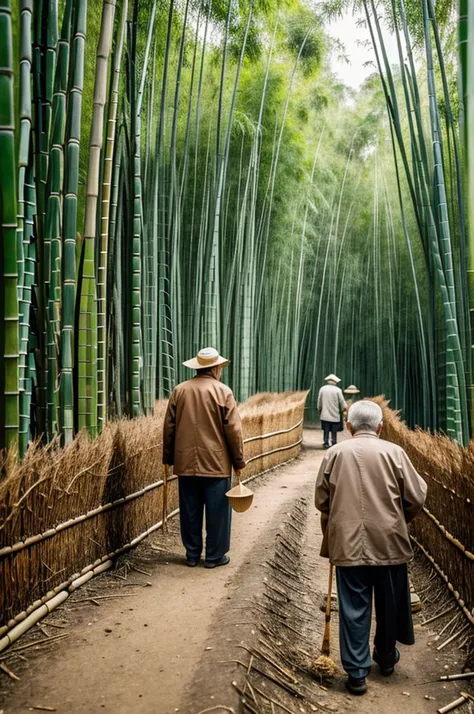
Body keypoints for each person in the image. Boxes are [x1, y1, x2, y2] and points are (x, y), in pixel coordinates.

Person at [314, 400, 427, 696]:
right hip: (390, 542)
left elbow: (321, 501)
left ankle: (356, 672)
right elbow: (416, 496)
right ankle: (386, 658)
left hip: (348, 545)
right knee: (390, 604)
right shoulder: (395, 453)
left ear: (349, 426)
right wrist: (400, 518)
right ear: (380, 426)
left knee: (353, 607)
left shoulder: (334, 453)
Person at [162, 347, 246, 569]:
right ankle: (214, 556)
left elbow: (169, 428)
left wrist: (169, 458)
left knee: (189, 510)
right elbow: (234, 432)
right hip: (216, 464)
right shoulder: (223, 392)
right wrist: (238, 462)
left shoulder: (179, 391)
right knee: (218, 512)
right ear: (216, 368)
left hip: (185, 462)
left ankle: (191, 554)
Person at [317, 374, 347, 449]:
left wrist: (319, 409)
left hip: (325, 413)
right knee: (334, 430)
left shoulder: (322, 389)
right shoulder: (338, 390)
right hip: (335, 413)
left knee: (326, 429)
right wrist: (344, 409)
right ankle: (334, 442)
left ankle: (326, 442)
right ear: (335, 382)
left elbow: (319, 401)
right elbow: (342, 401)